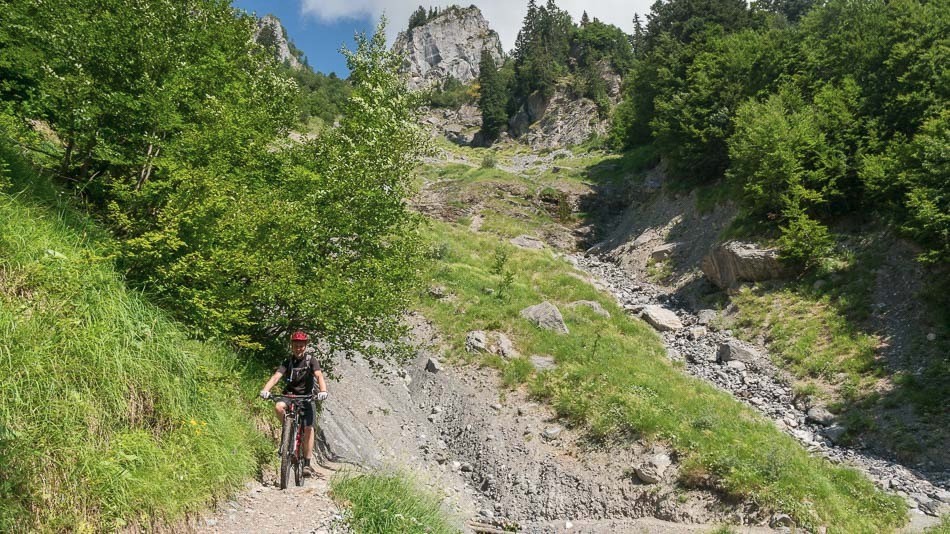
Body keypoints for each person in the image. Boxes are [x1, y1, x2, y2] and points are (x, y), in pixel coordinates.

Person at [259, 330, 328, 476]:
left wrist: (322, 391)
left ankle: (307, 464)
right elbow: (276, 377)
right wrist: (265, 389)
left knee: (309, 428)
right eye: (296, 345)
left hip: (306, 398)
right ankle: (287, 427)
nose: (298, 348)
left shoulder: (311, 360)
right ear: (292, 346)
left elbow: (319, 375)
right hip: (289, 395)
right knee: (278, 406)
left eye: (301, 345)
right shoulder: (288, 361)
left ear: (305, 346)